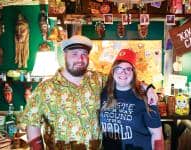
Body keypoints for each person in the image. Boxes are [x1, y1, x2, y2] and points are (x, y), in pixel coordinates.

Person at [19, 35, 158, 150]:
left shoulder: (98, 79)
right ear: (64, 55)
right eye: (74, 54)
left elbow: (123, 77)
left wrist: (148, 88)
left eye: (84, 54)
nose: (80, 59)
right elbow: (32, 124)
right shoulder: (45, 88)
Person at [100, 49, 164, 150]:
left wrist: (148, 88)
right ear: (113, 71)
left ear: (133, 72)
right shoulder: (103, 93)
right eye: (119, 68)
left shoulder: (145, 98)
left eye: (128, 69)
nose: (123, 72)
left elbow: (157, 135)